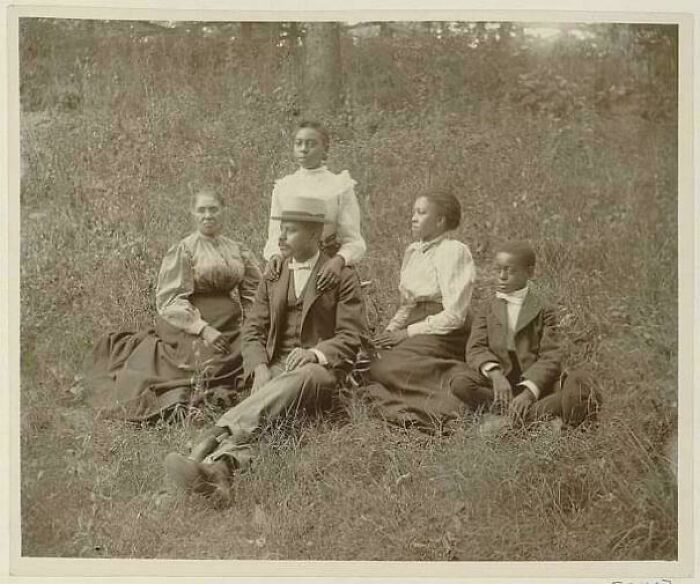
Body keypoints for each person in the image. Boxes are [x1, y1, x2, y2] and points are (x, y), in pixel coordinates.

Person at [164, 195, 367, 500]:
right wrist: (259, 366)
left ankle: (212, 436)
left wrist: (314, 353)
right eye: (281, 229)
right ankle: (220, 472)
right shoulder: (273, 275)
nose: (281, 237)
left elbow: (351, 337)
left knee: (305, 376)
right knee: (276, 416)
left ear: (315, 234)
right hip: (276, 366)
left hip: (320, 372)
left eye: (291, 230)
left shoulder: (343, 277)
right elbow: (253, 329)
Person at [82, 188, 262, 421]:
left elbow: (253, 293)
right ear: (193, 214)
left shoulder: (237, 250)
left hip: (228, 321)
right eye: (201, 210)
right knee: (210, 362)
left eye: (213, 209)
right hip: (186, 321)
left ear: (224, 212)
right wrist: (203, 329)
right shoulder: (184, 249)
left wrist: (252, 325)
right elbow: (169, 299)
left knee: (248, 351)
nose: (208, 215)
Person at [448, 241, 600, 428]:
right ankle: (528, 417)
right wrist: (496, 375)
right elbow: (475, 347)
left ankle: (515, 418)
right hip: (501, 385)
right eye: (498, 270)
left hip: (536, 386)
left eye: (510, 271)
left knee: (576, 385)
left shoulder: (545, 309)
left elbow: (551, 356)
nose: (502, 277)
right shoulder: (488, 307)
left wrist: (529, 392)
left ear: (529, 272)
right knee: (460, 383)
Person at [361, 189, 476, 432]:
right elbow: (408, 305)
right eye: (413, 212)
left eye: (421, 213)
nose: (413, 218)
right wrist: (388, 333)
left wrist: (406, 334)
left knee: (386, 368)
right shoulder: (413, 252)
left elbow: (455, 314)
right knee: (370, 362)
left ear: (440, 220)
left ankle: (455, 404)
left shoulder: (453, 251)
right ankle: (409, 410)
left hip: (445, 330)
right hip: (416, 326)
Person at [263, 120, 366, 292]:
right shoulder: (284, 187)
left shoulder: (339, 185)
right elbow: (275, 234)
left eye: (311, 144)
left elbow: (353, 239)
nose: (304, 149)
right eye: (299, 143)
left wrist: (338, 261)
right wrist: (275, 255)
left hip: (328, 264)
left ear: (325, 149)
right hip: (291, 262)